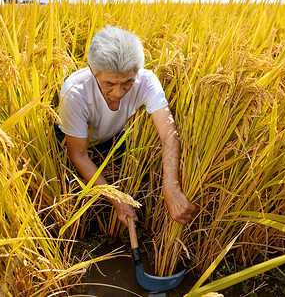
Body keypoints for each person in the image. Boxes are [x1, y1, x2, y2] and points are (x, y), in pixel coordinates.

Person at [57, 26, 196, 227]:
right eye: (109, 84)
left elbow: (168, 134)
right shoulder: (75, 91)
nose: (118, 93)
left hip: (112, 137)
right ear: (91, 70)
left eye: (127, 82)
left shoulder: (146, 81)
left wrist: (171, 187)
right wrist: (117, 200)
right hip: (72, 141)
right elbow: (78, 155)